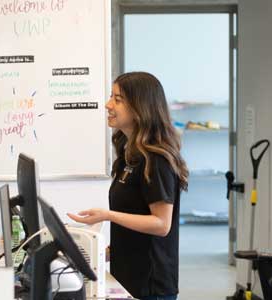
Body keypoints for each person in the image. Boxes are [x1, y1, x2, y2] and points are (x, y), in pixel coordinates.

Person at [67, 72, 189, 300]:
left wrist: (107, 215)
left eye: (118, 99)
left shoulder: (156, 159)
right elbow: (135, 215)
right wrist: (104, 253)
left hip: (151, 286)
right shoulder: (129, 154)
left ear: (140, 107)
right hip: (128, 277)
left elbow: (162, 224)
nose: (108, 104)